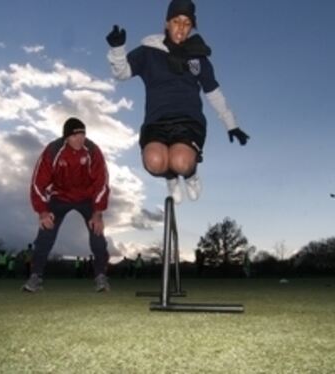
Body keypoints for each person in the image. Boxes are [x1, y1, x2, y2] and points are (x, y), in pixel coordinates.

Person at [106, 0, 249, 204]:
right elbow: (122, 73)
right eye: (176, 21)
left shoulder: (198, 57)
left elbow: (213, 92)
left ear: (192, 27)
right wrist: (118, 50)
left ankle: (190, 176)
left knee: (180, 161)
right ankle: (170, 178)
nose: (181, 28)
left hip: (188, 121)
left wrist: (231, 125)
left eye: (187, 23)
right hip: (156, 121)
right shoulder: (149, 51)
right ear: (167, 23)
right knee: (155, 162)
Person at [23, 117, 111, 292]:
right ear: (66, 137)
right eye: (75, 135)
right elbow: (37, 183)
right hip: (60, 197)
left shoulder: (92, 151)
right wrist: (42, 211)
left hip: (87, 197)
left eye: (83, 134)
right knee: (45, 233)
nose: (80, 139)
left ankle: (101, 276)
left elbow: (102, 182)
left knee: (97, 234)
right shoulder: (53, 151)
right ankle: (35, 277)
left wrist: (98, 212)